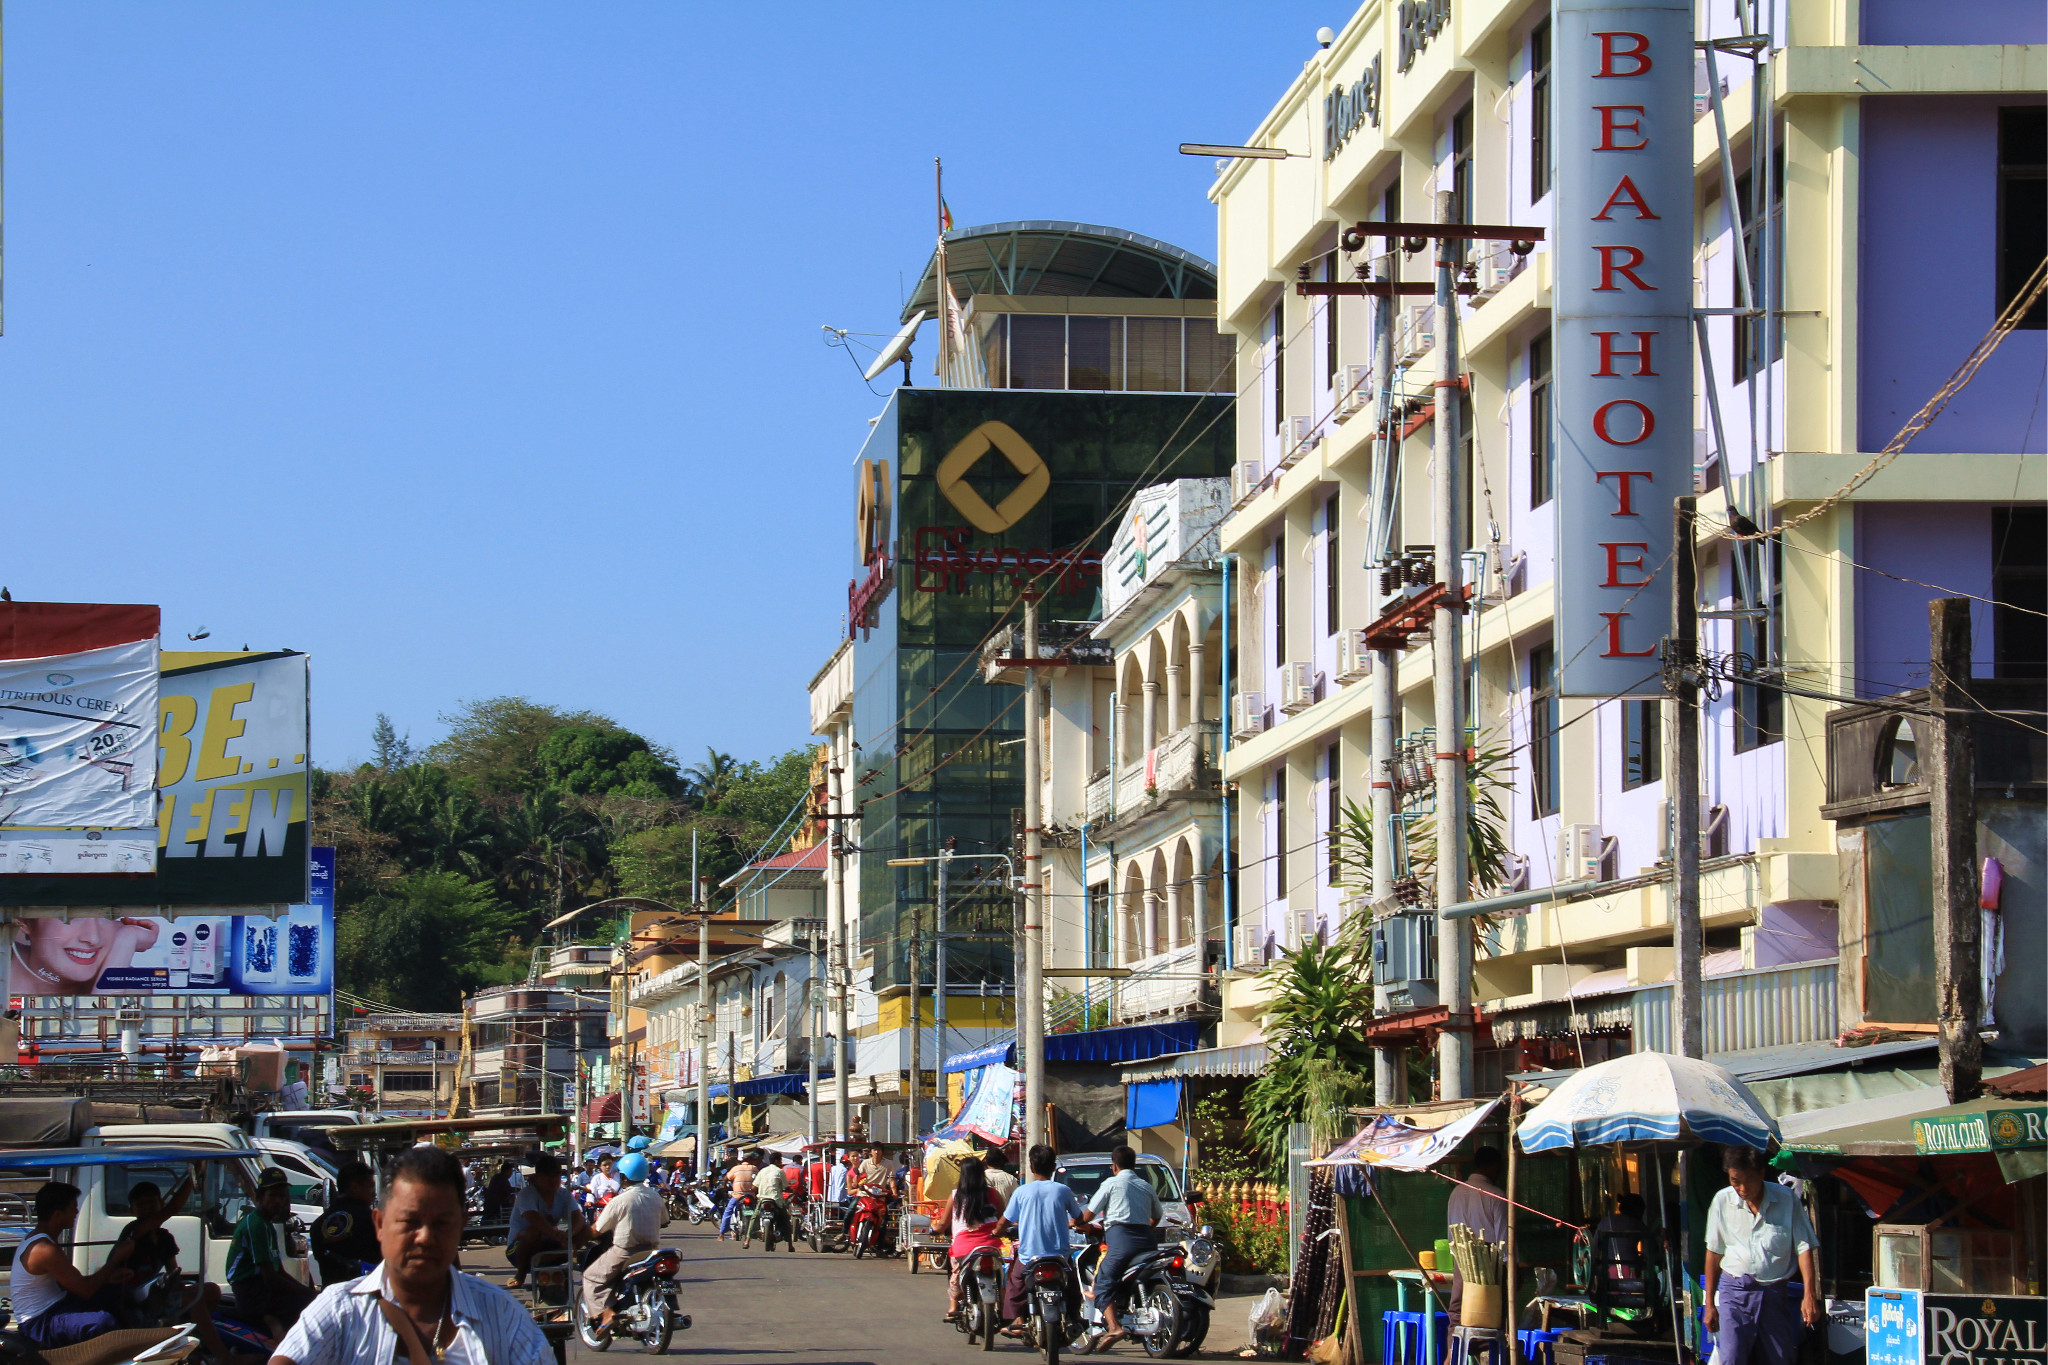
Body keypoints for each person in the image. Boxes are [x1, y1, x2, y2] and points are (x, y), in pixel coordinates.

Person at [271, 1144, 552, 1364]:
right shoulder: (339, 1310)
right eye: (410, 1222)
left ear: (461, 1226)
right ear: (380, 1224)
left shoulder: (502, 1315)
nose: (425, 1237)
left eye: (441, 1223)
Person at [1704, 1147, 1820, 1365]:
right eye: (1735, 1181)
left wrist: (1809, 1294)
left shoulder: (1786, 1199)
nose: (1742, 1188)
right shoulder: (1722, 1201)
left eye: (1748, 1180)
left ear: (1761, 1174)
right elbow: (1713, 1253)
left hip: (1774, 1292)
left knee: (1779, 1358)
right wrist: (1710, 1303)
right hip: (1734, 1290)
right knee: (1732, 1357)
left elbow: (1804, 1247)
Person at [118, 1177, 246, 1364]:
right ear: (132, 1210)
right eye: (141, 1204)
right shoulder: (134, 1230)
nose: (147, 1208)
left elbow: (173, 1272)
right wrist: (192, 1177)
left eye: (152, 1202)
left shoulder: (164, 1238)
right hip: (133, 1304)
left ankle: (200, 1343)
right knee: (192, 1299)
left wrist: (180, 1286)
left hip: (155, 1296)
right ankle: (224, 1357)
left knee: (210, 1290)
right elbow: (171, 1209)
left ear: (159, 1203)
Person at [9, 1181, 135, 1347]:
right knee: (103, 1321)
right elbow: (86, 1290)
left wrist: (108, 1278)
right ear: (57, 1215)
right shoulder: (44, 1249)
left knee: (117, 1291)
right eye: (73, 1208)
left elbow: (75, 1283)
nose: (76, 1212)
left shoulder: (43, 1239)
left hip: (58, 1305)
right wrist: (116, 1258)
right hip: (40, 1324)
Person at [998, 1144, 1090, 1336]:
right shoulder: (1063, 1190)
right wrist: (1076, 1222)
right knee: (1072, 1284)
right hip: (1060, 1256)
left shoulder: (1022, 1192)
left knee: (1016, 1283)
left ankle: (1018, 1319)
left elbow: (1005, 1220)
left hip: (1029, 1257)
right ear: (1054, 1166)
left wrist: (996, 1232)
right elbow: (1078, 1216)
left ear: (1032, 1167)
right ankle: (1074, 1316)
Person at [1085, 1146, 1162, 1347]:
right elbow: (1157, 1216)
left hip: (1121, 1240)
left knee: (1103, 1280)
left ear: (1114, 1166)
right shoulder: (1145, 1185)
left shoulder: (1111, 1184)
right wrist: (1145, 1227)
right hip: (1147, 1241)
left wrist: (1076, 1223)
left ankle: (1114, 1327)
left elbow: (1089, 1215)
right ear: (1134, 1165)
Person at [232, 1168, 320, 1335]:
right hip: (250, 1293)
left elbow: (279, 1271)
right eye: (272, 1196)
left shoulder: (267, 1225)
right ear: (259, 1197)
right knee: (307, 1307)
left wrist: (311, 1292)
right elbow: (271, 1279)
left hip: (261, 1290)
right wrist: (310, 1294)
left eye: (282, 1196)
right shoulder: (255, 1225)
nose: (278, 1201)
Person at [582, 1154, 663, 1335]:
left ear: (624, 1176)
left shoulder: (619, 1200)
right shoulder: (655, 1197)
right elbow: (664, 1220)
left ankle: (607, 1313)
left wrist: (582, 1235)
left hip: (625, 1252)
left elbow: (598, 1229)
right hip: (651, 1252)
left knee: (591, 1276)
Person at [8, 916, 160, 995]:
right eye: (72, 916)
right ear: (24, 921)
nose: (93, 937)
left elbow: (101, 1048)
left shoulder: (127, 981)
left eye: (106, 916)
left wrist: (127, 938)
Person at [1445, 1146, 1510, 1318]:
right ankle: (1488, 1345)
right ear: (1494, 1166)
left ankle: (1454, 1345)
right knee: (1491, 1313)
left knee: (1458, 1311)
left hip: (1461, 1259)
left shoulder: (1456, 1193)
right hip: (1490, 1262)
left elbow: (1451, 1234)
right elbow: (1504, 1239)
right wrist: (1510, 1267)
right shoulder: (1497, 1196)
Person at [506, 1152, 586, 1286]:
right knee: (533, 1231)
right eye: (548, 1175)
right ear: (537, 1177)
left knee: (586, 1231)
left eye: (556, 1175)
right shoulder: (527, 1194)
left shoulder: (563, 1194)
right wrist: (556, 1235)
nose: (553, 1180)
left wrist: (569, 1235)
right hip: (519, 1248)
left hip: (549, 1244)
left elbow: (578, 1218)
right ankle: (521, 1273)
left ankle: (547, 1261)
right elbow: (533, 1217)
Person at [942, 1158, 1005, 1325]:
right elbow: (1003, 1218)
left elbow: (943, 1223)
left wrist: (934, 1227)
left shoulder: (956, 1195)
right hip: (992, 1244)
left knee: (955, 1270)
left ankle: (953, 1305)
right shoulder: (993, 1193)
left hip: (964, 1247)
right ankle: (1003, 1304)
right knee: (1002, 1272)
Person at [313, 1162, 382, 1286]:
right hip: (367, 1296)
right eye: (371, 1187)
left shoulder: (318, 1225)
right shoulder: (372, 1220)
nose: (374, 1193)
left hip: (331, 1298)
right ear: (355, 1187)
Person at [720, 1150, 759, 1241]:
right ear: (750, 1160)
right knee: (757, 1211)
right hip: (751, 1196)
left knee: (728, 1212)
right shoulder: (754, 1168)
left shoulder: (736, 1168)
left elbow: (727, 1177)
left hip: (738, 1196)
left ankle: (721, 1234)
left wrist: (725, 1186)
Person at [754, 1154, 788, 1240]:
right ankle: (790, 1245)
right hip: (776, 1199)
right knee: (785, 1219)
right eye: (780, 1161)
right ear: (776, 1161)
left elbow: (754, 1186)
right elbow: (786, 1186)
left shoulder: (762, 1171)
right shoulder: (779, 1171)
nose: (781, 1163)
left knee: (754, 1218)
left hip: (762, 1199)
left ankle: (747, 1240)